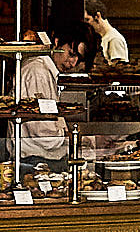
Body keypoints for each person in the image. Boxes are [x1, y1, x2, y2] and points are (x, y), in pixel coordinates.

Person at [10, 24, 89, 167]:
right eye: (71, 54)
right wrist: (72, 138)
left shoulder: (46, 72)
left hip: (45, 159)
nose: (73, 63)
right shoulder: (37, 72)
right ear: (57, 43)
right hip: (35, 162)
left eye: (78, 58)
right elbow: (43, 134)